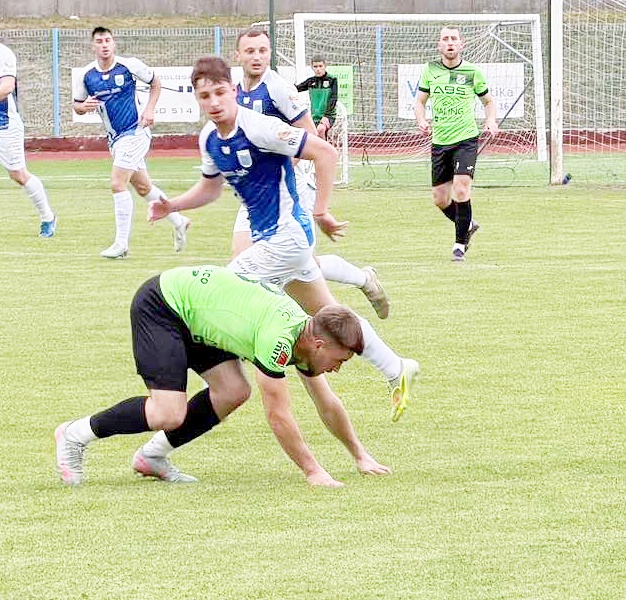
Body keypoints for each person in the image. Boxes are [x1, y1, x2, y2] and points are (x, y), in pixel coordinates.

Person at [147, 56, 419, 426]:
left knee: (221, 291)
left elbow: (325, 152)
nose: (214, 102)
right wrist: (173, 205)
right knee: (327, 311)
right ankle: (395, 367)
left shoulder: (259, 127)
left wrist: (321, 210)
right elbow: (210, 188)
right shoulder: (209, 138)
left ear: (234, 91)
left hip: (286, 239)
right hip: (275, 241)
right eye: (205, 96)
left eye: (220, 92)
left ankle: (211, 381)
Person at [54, 265, 378, 487]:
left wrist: (360, 456)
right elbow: (278, 415)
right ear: (320, 344)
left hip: (199, 314)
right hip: (164, 305)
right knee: (167, 413)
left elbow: (326, 402)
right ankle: (74, 434)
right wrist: (313, 472)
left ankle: (152, 457)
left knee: (233, 390)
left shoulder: (306, 338)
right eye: (340, 359)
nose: (338, 368)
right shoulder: (279, 338)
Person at [233, 28, 389, 320]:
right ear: (237, 55)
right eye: (250, 51)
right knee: (245, 264)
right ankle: (361, 281)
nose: (257, 57)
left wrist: (280, 170)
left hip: (291, 188)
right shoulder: (236, 91)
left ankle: (359, 288)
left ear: (269, 54)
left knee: (299, 269)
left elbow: (309, 132)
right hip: (258, 194)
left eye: (263, 51)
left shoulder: (278, 88)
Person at [73, 26, 190, 258]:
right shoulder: (87, 75)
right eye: (99, 41)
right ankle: (179, 220)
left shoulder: (129, 65)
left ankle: (121, 244)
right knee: (144, 187)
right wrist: (83, 107)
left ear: (114, 43)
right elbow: (77, 104)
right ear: (93, 46)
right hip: (115, 139)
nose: (104, 45)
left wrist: (150, 109)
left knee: (118, 183)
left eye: (108, 40)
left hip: (136, 132)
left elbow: (156, 83)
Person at [413, 26, 497, 262]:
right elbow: (420, 102)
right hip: (440, 141)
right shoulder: (430, 70)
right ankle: (467, 224)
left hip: (466, 138)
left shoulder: (473, 72)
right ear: (439, 45)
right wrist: (421, 120)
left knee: (461, 189)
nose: (450, 42)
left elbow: (489, 102)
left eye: (454, 39)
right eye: (445, 39)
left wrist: (490, 120)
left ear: (461, 44)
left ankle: (459, 245)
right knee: (440, 199)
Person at [0, 41, 56, 237]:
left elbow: (7, 87)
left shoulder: (4, 53)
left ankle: (48, 217)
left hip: (4, 124)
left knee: (19, 174)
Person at [294, 55, 339, 139]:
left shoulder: (332, 80)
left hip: (328, 115)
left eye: (320, 66)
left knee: (320, 129)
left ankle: (324, 147)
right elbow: (296, 89)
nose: (318, 69)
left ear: (325, 66)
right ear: (312, 67)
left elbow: (334, 98)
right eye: (315, 66)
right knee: (311, 135)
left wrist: (326, 115)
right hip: (314, 116)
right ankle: (324, 146)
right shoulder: (311, 81)